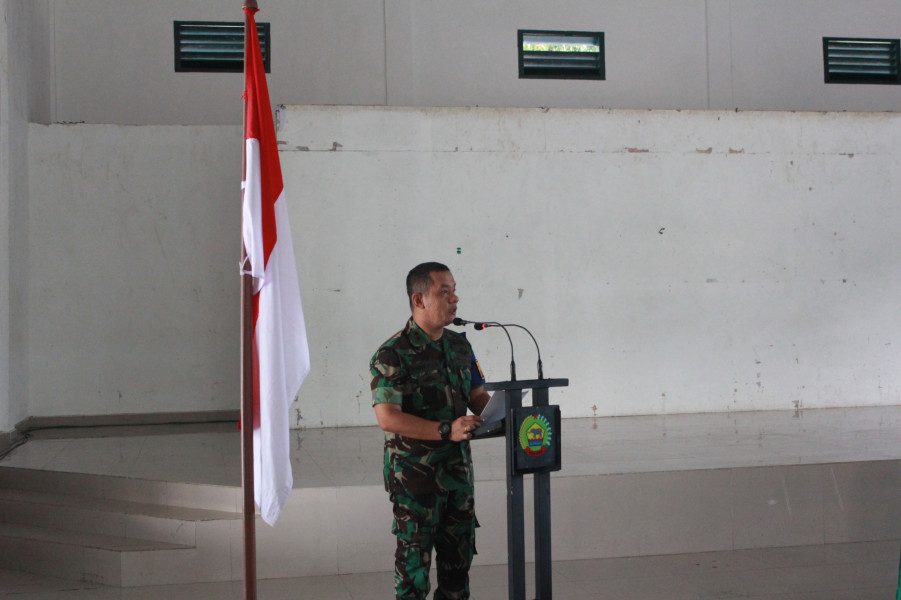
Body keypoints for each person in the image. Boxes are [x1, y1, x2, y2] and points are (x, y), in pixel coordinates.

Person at [371, 262, 491, 600]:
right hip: (415, 481)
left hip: (458, 476)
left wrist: (509, 415)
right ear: (419, 299)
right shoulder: (393, 354)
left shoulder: (460, 346)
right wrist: (446, 430)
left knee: (458, 570)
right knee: (414, 576)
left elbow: (477, 397)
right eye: (444, 291)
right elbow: (388, 418)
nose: (455, 298)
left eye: (454, 290)